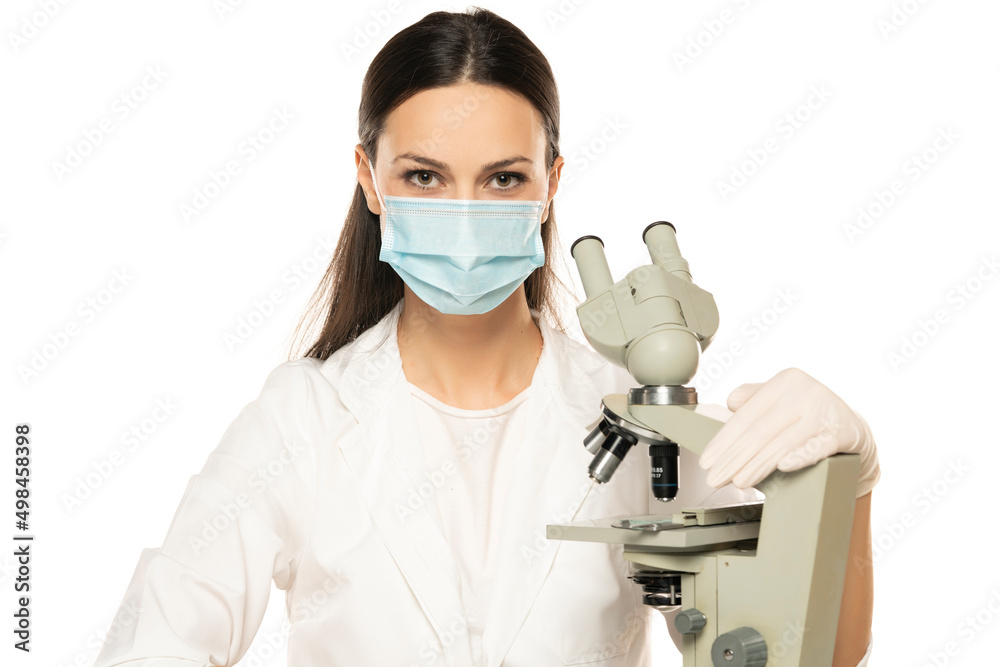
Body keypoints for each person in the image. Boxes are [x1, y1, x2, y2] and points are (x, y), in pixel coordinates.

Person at [93, 7, 879, 667]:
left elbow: (805, 652)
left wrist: (845, 480)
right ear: (370, 179)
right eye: (425, 177)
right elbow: (154, 638)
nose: (465, 212)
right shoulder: (303, 418)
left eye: (503, 178)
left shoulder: (636, 422)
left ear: (550, 185)